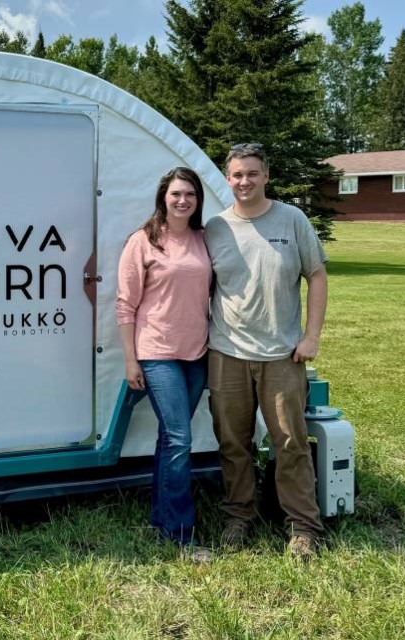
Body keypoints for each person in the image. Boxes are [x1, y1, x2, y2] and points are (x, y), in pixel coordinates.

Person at [204, 143, 328, 559]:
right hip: (227, 353)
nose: (244, 181)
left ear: (266, 176)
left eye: (252, 174)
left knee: (290, 442)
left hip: (281, 355)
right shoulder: (215, 228)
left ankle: (303, 527)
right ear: (227, 178)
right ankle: (239, 517)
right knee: (232, 442)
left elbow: (318, 275)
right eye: (237, 174)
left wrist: (311, 337)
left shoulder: (292, 220)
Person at [116, 167, 211, 547]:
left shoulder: (204, 239)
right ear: (163, 198)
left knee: (170, 440)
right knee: (179, 439)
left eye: (189, 194)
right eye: (175, 194)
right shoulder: (143, 241)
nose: (182, 200)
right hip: (157, 354)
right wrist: (130, 360)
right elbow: (125, 305)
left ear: (197, 200)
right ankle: (181, 532)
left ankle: (161, 517)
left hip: (197, 353)